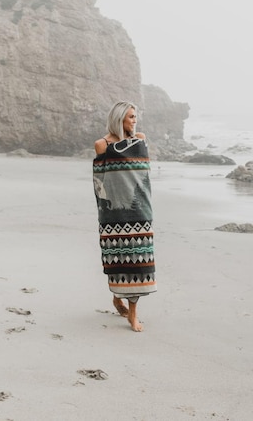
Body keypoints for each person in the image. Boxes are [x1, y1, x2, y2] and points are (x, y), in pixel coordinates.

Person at [93, 101, 156, 332]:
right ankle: (117, 297)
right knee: (117, 260)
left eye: (135, 116)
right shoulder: (102, 145)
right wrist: (104, 209)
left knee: (138, 263)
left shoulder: (139, 138)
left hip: (140, 209)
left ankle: (133, 313)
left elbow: (143, 173)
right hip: (114, 212)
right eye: (130, 116)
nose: (134, 120)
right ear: (119, 119)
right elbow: (100, 180)